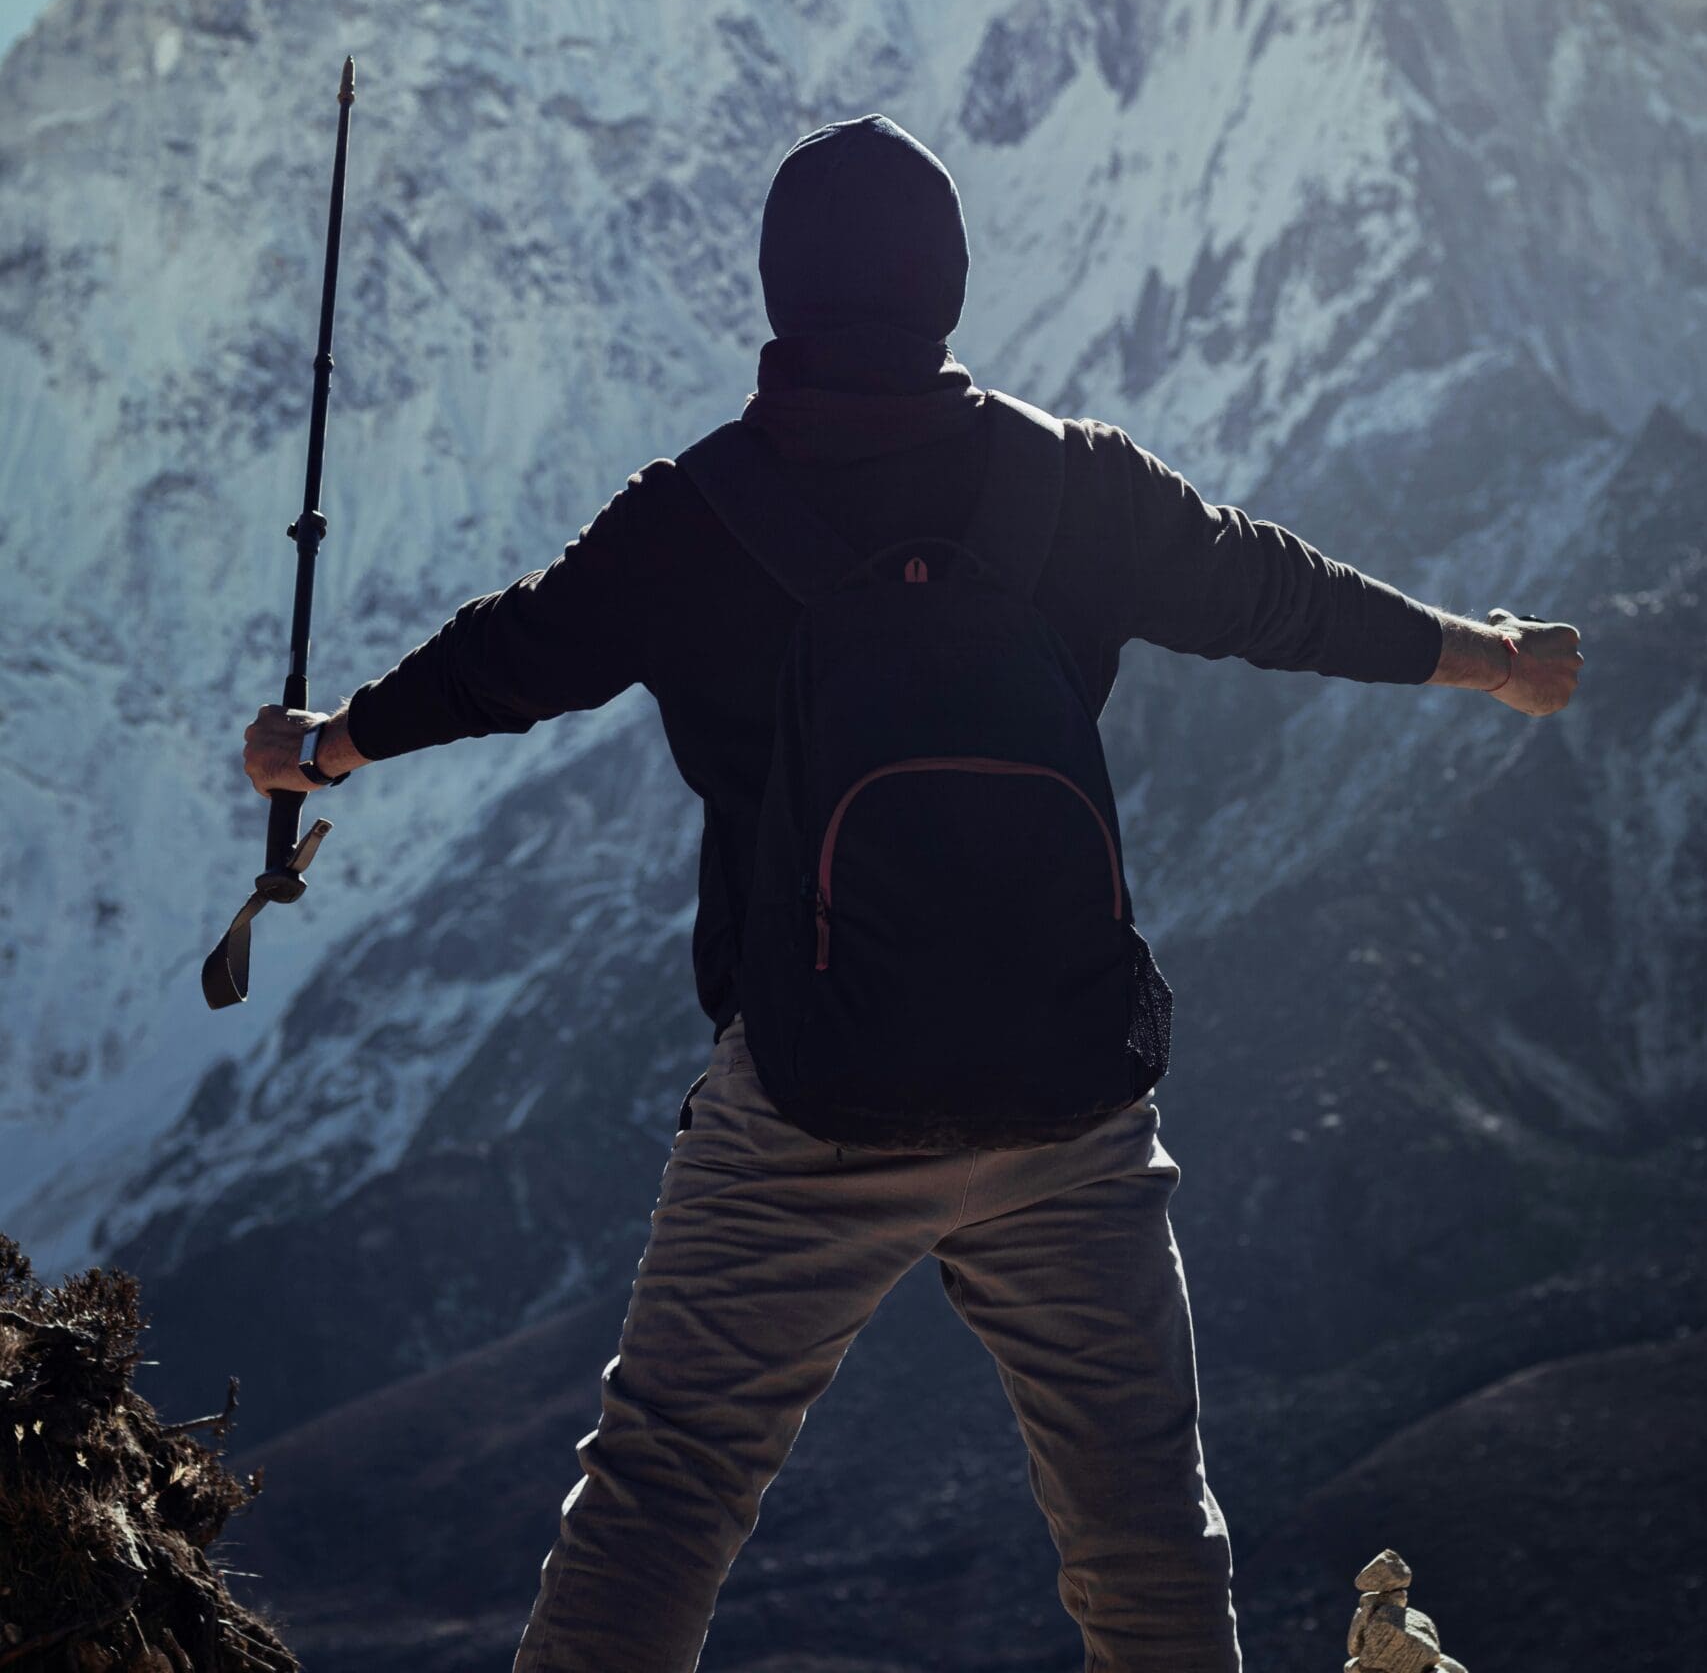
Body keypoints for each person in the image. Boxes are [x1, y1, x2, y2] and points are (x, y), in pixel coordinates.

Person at [243, 115, 1583, 1672]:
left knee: (665, 1491)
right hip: (1067, 1095)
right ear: (947, 284)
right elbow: (1269, 590)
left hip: (811, 1095)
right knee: (1144, 1519)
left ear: (777, 296)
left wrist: (325, 747)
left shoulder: (693, 514)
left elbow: (510, 656)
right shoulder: (1076, 484)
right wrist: (1488, 657)